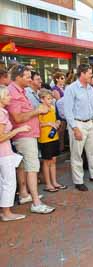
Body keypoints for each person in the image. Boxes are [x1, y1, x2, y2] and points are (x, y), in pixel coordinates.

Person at [7, 65, 55, 214]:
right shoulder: (14, 93)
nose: (30, 79)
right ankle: (36, 203)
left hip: (26, 135)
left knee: (23, 167)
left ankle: (24, 194)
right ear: (18, 77)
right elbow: (17, 117)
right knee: (32, 168)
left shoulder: (19, 91)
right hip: (24, 136)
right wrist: (37, 111)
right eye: (27, 76)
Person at [0, 85, 31, 221]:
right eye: (7, 95)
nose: (10, 97)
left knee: (5, 182)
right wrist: (18, 130)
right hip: (4, 153)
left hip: (5, 152)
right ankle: (6, 213)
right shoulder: (1, 113)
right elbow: (0, 137)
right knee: (9, 182)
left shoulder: (3, 111)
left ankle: (5, 211)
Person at [38, 89, 67, 192]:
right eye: (48, 99)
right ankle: (48, 184)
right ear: (42, 99)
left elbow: (55, 119)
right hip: (45, 138)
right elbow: (38, 124)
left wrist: (57, 122)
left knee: (53, 160)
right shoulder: (39, 109)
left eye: (51, 98)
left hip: (54, 136)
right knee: (47, 161)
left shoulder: (53, 107)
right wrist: (48, 123)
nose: (50, 100)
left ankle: (54, 182)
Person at [52, 72, 67, 152]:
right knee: (60, 130)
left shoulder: (62, 88)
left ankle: (61, 147)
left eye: (64, 78)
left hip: (64, 111)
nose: (63, 80)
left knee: (63, 131)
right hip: (59, 111)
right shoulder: (55, 89)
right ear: (57, 79)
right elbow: (59, 102)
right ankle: (58, 147)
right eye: (61, 78)